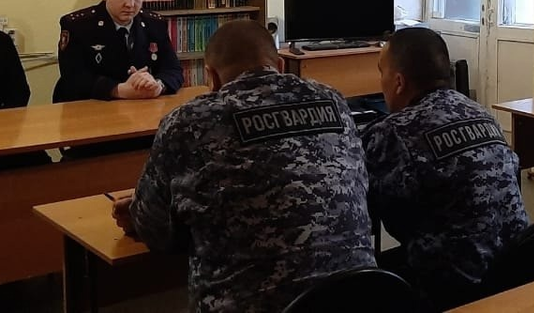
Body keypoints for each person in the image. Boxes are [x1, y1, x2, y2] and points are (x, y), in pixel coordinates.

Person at [112, 20, 375, 312]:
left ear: (211, 76)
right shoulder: (334, 101)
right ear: (279, 65)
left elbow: (158, 234)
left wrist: (138, 212)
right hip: (359, 298)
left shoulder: (189, 122)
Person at [363, 27, 527, 310]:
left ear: (399, 82)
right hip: (517, 270)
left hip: (453, 286)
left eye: (382, 72)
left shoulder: (393, 132)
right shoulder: (482, 114)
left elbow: (362, 205)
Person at [52, 0, 182, 103]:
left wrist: (158, 85)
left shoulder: (155, 24)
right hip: (89, 106)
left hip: (142, 105)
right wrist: (117, 90)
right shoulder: (78, 25)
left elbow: (173, 69)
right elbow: (73, 77)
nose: (130, 4)